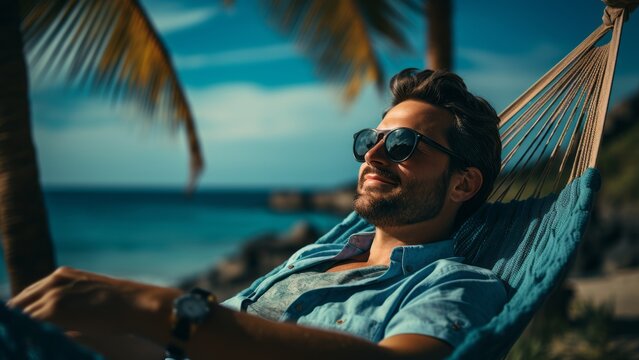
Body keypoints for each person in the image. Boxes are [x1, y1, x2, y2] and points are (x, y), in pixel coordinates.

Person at [7, 68, 506, 360]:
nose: (373, 156)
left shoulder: (457, 286)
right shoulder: (319, 255)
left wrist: (156, 306)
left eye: (401, 144)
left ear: (463, 182)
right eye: (369, 140)